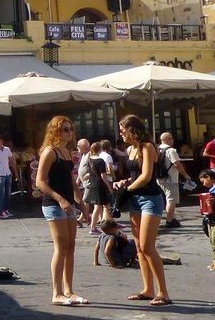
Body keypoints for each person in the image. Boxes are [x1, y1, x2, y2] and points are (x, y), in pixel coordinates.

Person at [114, 114, 172, 307]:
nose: (121, 133)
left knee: (148, 246)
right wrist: (124, 183)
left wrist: (128, 189)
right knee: (139, 247)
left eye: (123, 130)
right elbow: (135, 175)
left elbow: (147, 176)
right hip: (135, 200)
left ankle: (163, 292)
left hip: (150, 199)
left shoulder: (148, 147)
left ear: (132, 130)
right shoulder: (130, 149)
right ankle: (148, 289)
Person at [36, 115, 86, 307]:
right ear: (55, 131)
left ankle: (69, 290)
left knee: (71, 246)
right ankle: (56, 293)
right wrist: (60, 199)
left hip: (68, 203)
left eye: (71, 129)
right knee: (61, 246)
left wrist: (79, 201)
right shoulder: (50, 151)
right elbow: (40, 181)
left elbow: (71, 179)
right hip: (53, 204)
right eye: (65, 129)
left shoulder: (66, 151)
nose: (69, 132)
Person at [156, 132, 189, 228]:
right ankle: (169, 220)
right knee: (171, 200)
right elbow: (177, 164)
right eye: (171, 138)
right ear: (167, 139)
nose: (173, 140)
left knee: (166, 199)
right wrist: (185, 175)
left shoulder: (158, 149)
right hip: (171, 178)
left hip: (160, 178)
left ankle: (171, 217)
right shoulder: (171, 150)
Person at [81, 142, 112, 236]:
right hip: (100, 184)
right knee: (101, 206)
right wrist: (109, 186)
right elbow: (103, 176)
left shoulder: (90, 160)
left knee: (102, 206)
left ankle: (107, 225)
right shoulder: (100, 161)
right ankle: (94, 227)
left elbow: (89, 173)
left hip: (93, 183)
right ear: (100, 149)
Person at [0, 135, 14, 219]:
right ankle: (1, 211)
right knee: (1, 193)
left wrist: (15, 173)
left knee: (8, 193)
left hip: (7, 173)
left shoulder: (7, 149)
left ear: (2, 141)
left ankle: (6, 209)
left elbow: (11, 160)